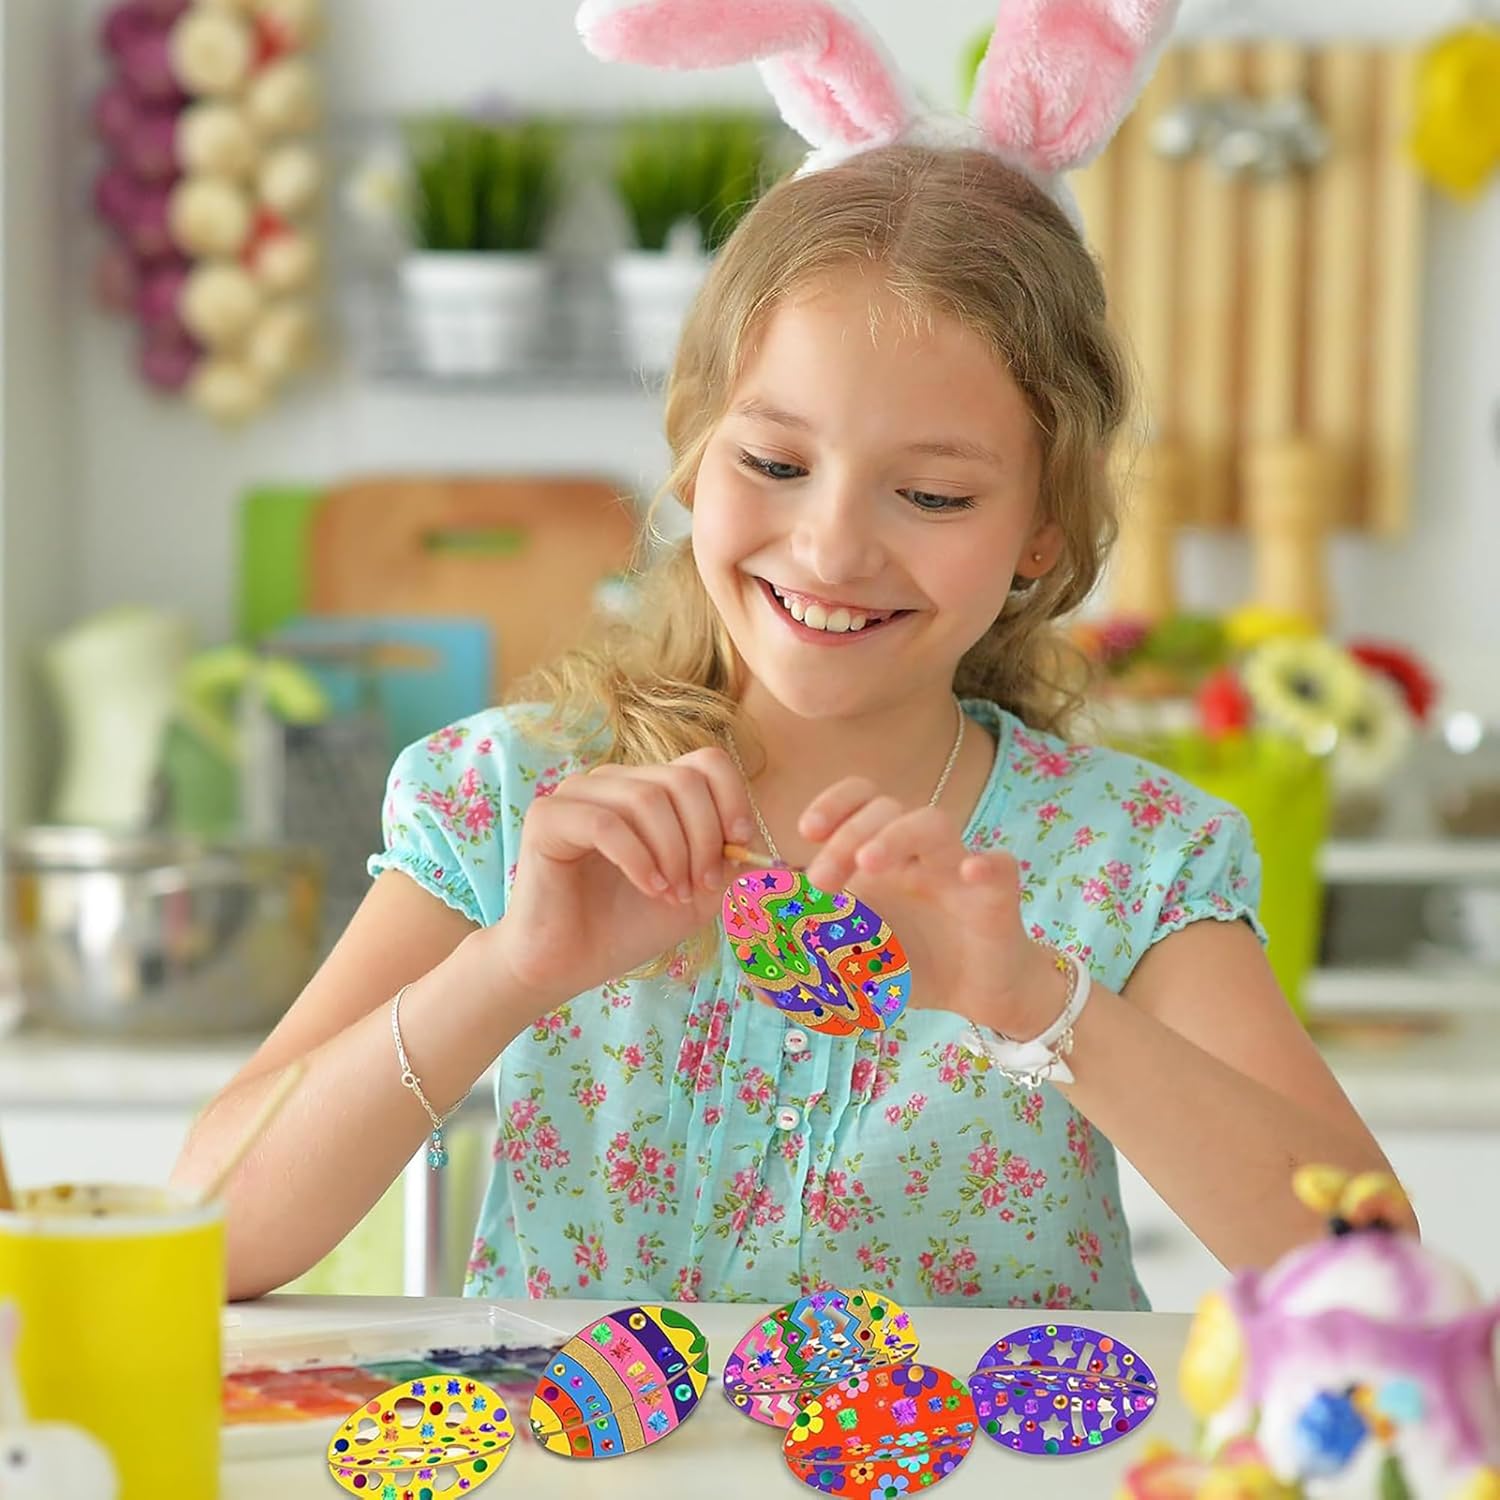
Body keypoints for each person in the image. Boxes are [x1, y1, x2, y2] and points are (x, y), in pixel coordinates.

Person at [174, 0, 1395, 1306]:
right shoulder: (510, 804)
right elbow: (200, 1236)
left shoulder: (1125, 856)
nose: (830, 549)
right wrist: (505, 973)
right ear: (697, 447)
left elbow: (1368, 1269)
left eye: (931, 497)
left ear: (1045, 529)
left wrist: (1040, 1004)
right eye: (773, 463)